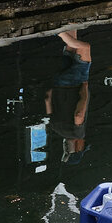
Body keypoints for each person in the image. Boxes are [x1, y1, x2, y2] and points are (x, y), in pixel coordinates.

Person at [44, 29, 92, 164]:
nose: (84, 143)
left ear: (78, 148)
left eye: (83, 146)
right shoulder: (55, 128)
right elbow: (48, 98)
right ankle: (68, 25)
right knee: (71, 47)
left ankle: (59, 32)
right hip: (58, 83)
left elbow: (79, 114)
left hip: (75, 83)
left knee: (85, 48)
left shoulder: (78, 134)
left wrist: (84, 91)